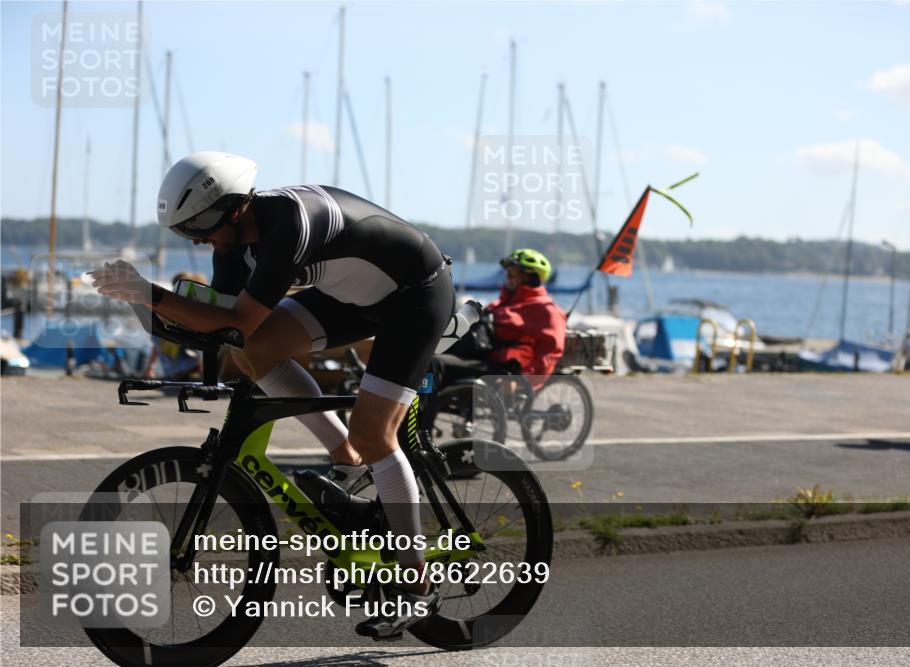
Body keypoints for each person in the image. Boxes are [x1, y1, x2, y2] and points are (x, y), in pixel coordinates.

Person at [90, 151, 452, 638]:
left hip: (415, 296)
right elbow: (227, 328)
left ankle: (417, 588)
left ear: (236, 208)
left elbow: (237, 319)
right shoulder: (231, 238)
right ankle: (345, 456)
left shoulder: (288, 226)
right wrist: (148, 309)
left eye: (200, 227)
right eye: (186, 233)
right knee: (253, 354)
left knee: (375, 433)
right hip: (352, 298)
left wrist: (152, 293)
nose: (198, 240)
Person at [434, 248, 566, 390]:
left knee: (435, 363)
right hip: (478, 355)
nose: (507, 276)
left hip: (500, 367)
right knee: (427, 352)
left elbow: (549, 353)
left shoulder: (546, 310)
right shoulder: (503, 302)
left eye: (513, 272)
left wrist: (525, 381)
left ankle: (418, 410)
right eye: (507, 272)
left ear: (531, 278)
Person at [142, 272, 206, 380]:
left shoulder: (190, 305)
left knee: (160, 332)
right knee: (159, 332)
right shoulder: (176, 304)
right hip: (179, 369)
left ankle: (198, 371)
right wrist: (150, 367)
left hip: (190, 366)